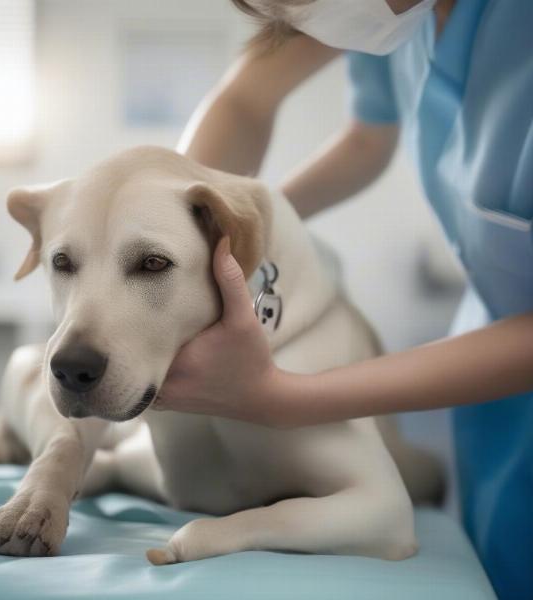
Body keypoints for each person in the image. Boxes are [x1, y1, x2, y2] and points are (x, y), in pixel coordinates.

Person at [156, 1, 533, 597]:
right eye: (275, 10)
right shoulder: (400, 20)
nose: (305, 21)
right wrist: (243, 227)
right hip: (496, 405)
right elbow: (262, 103)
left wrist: (286, 399)